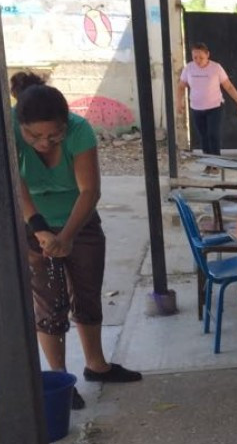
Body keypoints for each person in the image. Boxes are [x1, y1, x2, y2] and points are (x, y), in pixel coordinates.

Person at [11, 72, 142, 410]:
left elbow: (90, 190)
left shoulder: (79, 129)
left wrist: (66, 236)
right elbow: (16, 186)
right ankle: (60, 377)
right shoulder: (8, 128)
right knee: (49, 302)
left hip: (79, 221)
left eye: (54, 135)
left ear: (64, 124)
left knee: (86, 292)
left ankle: (97, 365)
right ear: (21, 125)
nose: (44, 143)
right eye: (35, 136)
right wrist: (41, 231)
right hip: (33, 224)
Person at [175, 42, 237, 175]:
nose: (198, 60)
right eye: (195, 57)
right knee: (203, 137)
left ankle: (216, 164)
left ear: (208, 55)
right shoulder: (189, 68)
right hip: (196, 108)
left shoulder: (216, 68)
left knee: (213, 135)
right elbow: (181, 86)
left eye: (201, 57)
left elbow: (228, 86)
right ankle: (208, 163)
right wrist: (178, 102)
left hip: (215, 107)